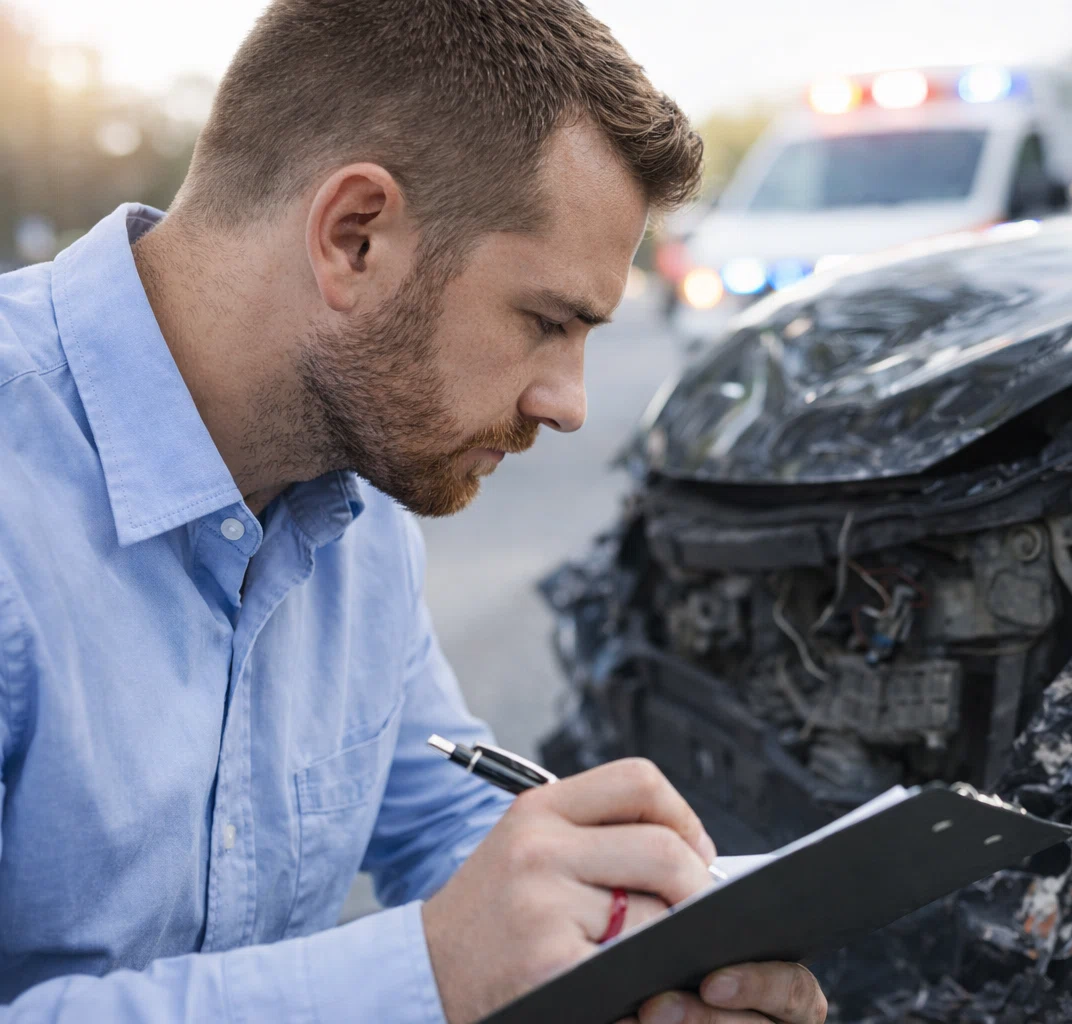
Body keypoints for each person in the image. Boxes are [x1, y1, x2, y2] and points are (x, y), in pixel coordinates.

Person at [0, 2, 829, 1023]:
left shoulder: (356, 488)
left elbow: (440, 816)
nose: (568, 402)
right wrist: (431, 974)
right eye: (546, 320)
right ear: (356, 236)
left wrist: (630, 936)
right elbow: (447, 954)